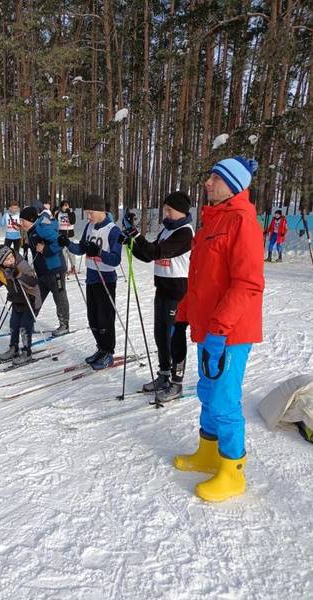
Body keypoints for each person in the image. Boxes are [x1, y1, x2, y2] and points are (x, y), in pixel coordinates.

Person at [173, 156, 264, 503]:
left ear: (233, 185)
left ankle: (232, 471)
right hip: (208, 327)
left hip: (230, 332)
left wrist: (220, 329)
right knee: (208, 393)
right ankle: (208, 452)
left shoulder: (243, 222)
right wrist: (183, 314)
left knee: (225, 400)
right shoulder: (212, 220)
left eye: (215, 178)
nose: (207, 183)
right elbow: (200, 280)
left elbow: (248, 284)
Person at [121, 191, 194, 403]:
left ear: (180, 211)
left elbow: (157, 252)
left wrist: (136, 235)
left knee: (174, 337)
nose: (166, 213)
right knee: (160, 334)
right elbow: (147, 254)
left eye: (169, 210)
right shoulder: (167, 229)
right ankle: (163, 375)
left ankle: (176, 382)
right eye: (165, 209)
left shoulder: (185, 233)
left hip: (178, 291)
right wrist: (130, 242)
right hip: (162, 289)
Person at [58, 193, 122, 370]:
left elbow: (116, 260)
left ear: (101, 211)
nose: (88, 217)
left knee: (105, 319)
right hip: (92, 277)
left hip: (106, 279)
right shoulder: (89, 226)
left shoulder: (113, 230)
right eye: (87, 213)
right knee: (93, 318)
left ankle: (108, 352)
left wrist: (99, 252)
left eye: (90, 213)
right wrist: (67, 243)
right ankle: (100, 349)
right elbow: (80, 249)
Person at [0, 244, 41, 363]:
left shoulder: (22, 265)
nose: (10, 261)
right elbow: (0, 283)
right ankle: (13, 348)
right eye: (7, 260)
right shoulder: (0, 269)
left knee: (25, 326)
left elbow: (33, 282)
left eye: (11, 257)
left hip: (30, 299)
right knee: (14, 324)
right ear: (1, 263)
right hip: (17, 299)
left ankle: (27, 352)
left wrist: (19, 275)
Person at [19, 205, 70, 337]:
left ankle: (64, 325)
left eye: (23, 220)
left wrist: (45, 249)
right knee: (36, 297)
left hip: (55, 268)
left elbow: (60, 241)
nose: (21, 223)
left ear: (30, 219)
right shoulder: (32, 230)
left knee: (59, 297)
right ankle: (28, 323)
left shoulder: (42, 228)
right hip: (42, 271)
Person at [54, 200, 77, 274]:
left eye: (67, 205)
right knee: (63, 252)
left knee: (71, 252)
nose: (66, 207)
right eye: (64, 205)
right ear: (61, 206)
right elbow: (55, 223)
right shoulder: (58, 214)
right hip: (61, 235)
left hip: (70, 235)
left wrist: (68, 212)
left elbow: (73, 221)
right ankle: (64, 268)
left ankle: (73, 267)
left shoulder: (71, 213)